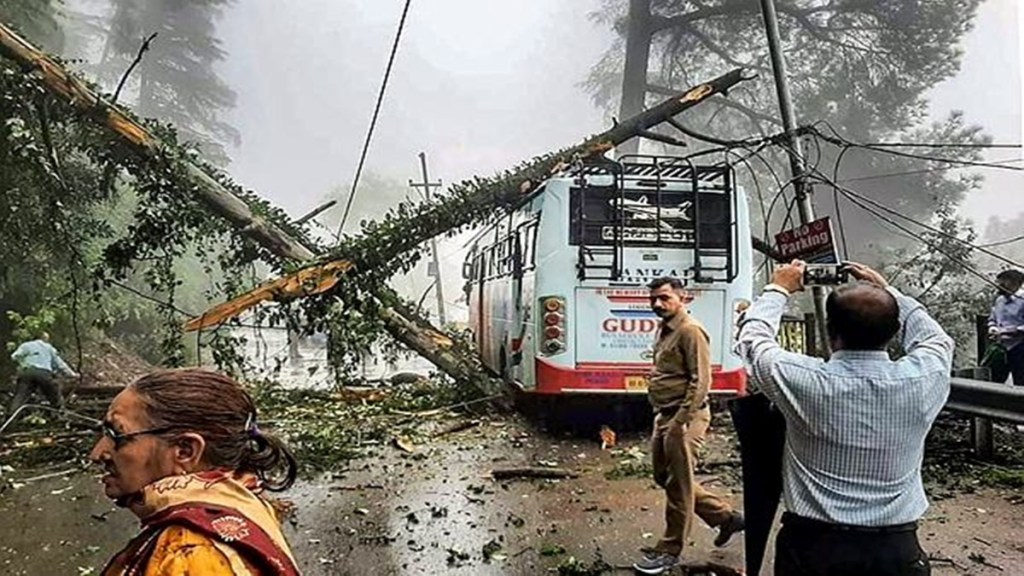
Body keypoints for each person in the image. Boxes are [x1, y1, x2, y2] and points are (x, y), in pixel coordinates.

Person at [734, 261, 953, 576]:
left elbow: (753, 341)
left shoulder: (802, 380)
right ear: (894, 333)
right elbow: (936, 339)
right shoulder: (923, 378)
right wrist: (890, 292)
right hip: (895, 549)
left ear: (830, 331)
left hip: (813, 548)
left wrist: (778, 288)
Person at [90, 368, 300, 576]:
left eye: (116, 434)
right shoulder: (242, 503)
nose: (97, 453)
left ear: (185, 451)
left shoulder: (188, 552)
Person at [633, 277, 745, 575]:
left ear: (682, 298)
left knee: (678, 485)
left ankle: (670, 551)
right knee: (663, 476)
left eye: (665, 298)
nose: (657, 304)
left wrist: (680, 422)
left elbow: (701, 381)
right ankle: (726, 517)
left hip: (686, 417)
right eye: (654, 298)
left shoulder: (690, 330)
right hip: (665, 415)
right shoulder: (665, 329)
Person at [7, 331, 78, 415]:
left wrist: (24, 365)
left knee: (20, 396)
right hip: (43, 373)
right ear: (44, 338)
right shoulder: (49, 348)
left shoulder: (26, 345)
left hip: (27, 372)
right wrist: (72, 374)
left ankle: (11, 418)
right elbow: (60, 364)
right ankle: (60, 415)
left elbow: (14, 356)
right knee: (53, 394)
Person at [986, 269, 1024, 386]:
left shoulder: (1022, 300)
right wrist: (992, 327)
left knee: (1021, 381)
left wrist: (1005, 331)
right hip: (1001, 348)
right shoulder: (1000, 300)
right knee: (994, 381)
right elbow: (992, 318)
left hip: (1020, 347)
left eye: (1004, 282)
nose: (999, 285)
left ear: (1015, 283)